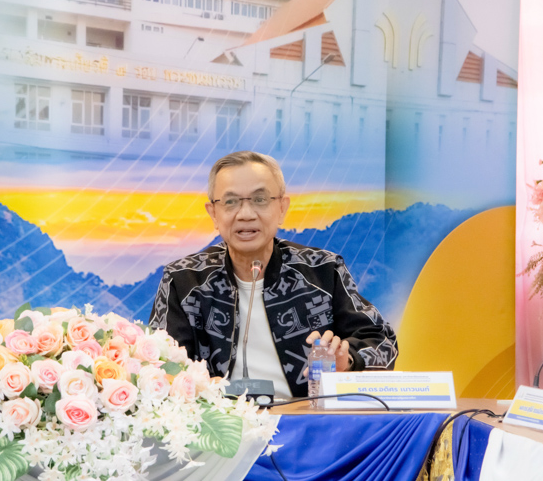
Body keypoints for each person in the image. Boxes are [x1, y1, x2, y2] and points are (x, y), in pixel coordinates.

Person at [150, 151, 398, 398]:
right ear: (213, 213)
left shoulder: (323, 270)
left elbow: (383, 341)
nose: (246, 214)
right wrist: (202, 385)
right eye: (231, 202)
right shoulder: (183, 280)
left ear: (281, 208)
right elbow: (156, 365)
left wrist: (348, 360)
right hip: (219, 418)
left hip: (307, 415)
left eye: (259, 200)